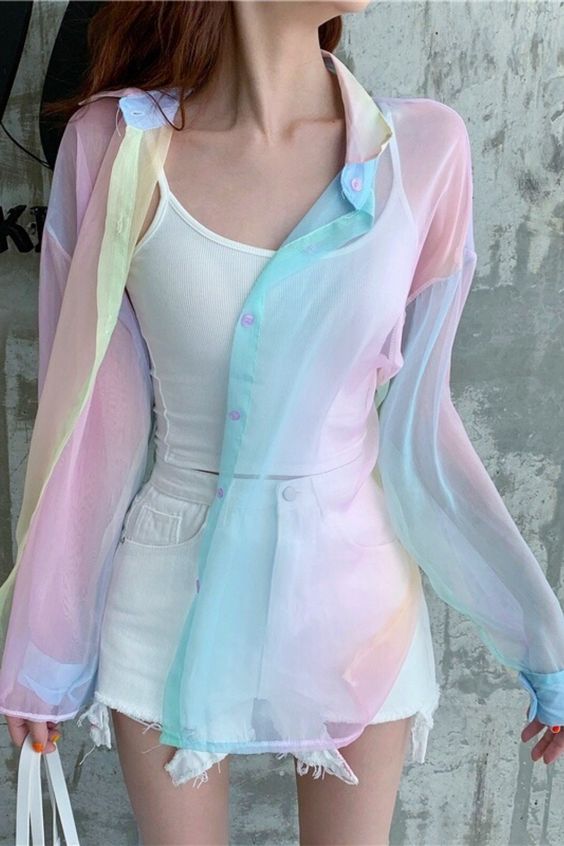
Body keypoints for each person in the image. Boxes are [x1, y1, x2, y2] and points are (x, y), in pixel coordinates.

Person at [2, 2, 564, 845]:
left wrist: (542, 640)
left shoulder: (423, 150)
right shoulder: (112, 146)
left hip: (356, 600)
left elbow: (423, 428)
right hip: (169, 590)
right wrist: (41, 653)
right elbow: (87, 427)